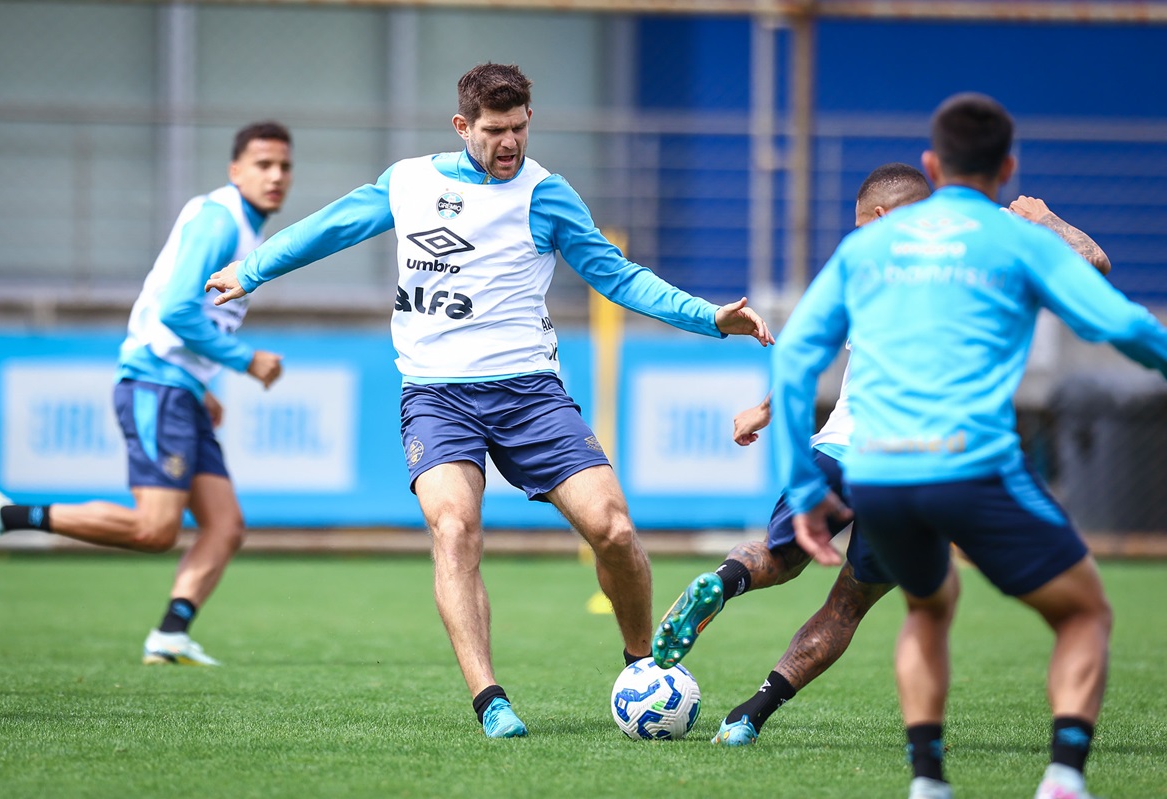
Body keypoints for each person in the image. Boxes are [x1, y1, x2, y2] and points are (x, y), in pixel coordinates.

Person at [203, 62, 772, 738]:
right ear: (462, 125)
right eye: (496, 131)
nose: (511, 144)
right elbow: (330, 227)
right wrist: (253, 268)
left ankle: (642, 665)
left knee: (614, 529)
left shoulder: (547, 195)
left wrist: (710, 317)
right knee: (454, 530)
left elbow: (619, 278)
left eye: (520, 129)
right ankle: (490, 699)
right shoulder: (411, 181)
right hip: (436, 397)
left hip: (530, 394)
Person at [770, 92, 1167, 799]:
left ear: (932, 164)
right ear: (1007, 167)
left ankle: (928, 781)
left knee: (927, 606)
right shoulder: (1017, 239)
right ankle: (1065, 776)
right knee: (1085, 610)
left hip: (880, 471)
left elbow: (796, 355)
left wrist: (802, 483)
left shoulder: (869, 246)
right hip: (973, 465)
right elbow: (1123, 323)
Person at [651, 165, 1113, 750]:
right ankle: (749, 716)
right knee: (848, 603)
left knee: (781, 553)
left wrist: (767, 410)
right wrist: (1044, 220)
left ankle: (725, 580)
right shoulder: (987, 234)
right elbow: (1094, 265)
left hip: (843, 447)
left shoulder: (863, 265)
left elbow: (808, 349)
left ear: (884, 218)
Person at [0, 121, 294, 667]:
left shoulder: (242, 227)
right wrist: (245, 360)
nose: (276, 176)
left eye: (284, 166)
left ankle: (170, 634)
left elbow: (184, 318)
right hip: (154, 383)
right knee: (153, 528)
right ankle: (4, 515)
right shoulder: (221, 220)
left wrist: (201, 385)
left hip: (178, 386)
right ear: (235, 171)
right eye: (263, 164)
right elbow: (174, 310)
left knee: (225, 526)